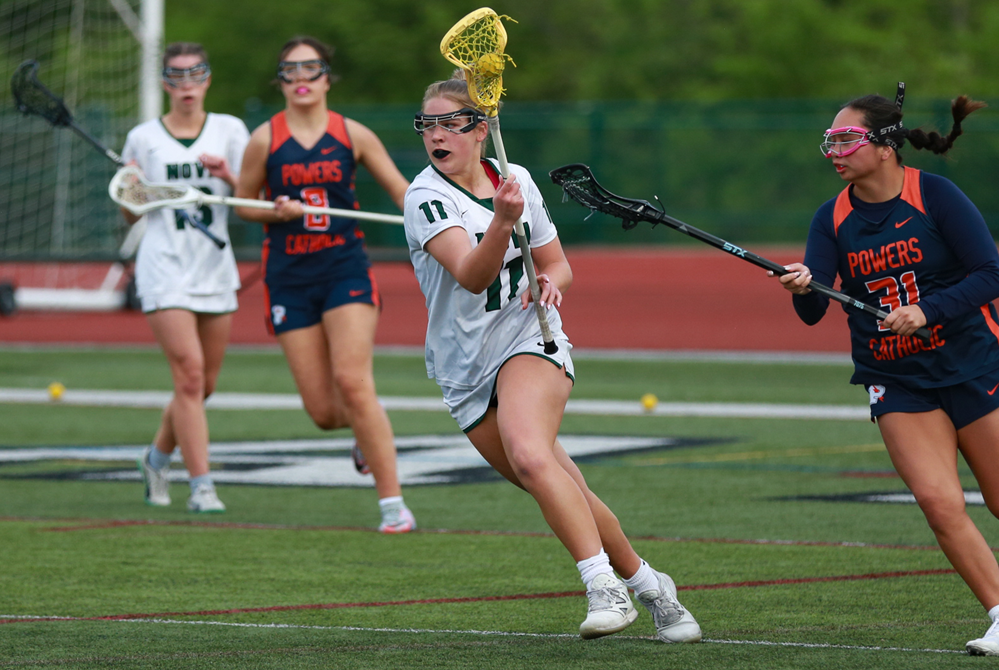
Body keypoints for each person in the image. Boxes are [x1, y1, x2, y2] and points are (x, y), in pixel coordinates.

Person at [402, 70, 702, 643]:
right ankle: (651, 585)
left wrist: (550, 283)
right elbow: (471, 275)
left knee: (531, 454)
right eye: (428, 124)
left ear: (482, 128)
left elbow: (558, 263)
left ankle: (602, 588)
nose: (437, 135)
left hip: (530, 340)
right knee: (561, 482)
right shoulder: (425, 197)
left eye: (450, 123)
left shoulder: (514, 180)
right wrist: (503, 222)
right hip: (465, 370)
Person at [774, 85, 999, 656]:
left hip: (973, 363)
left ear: (884, 146)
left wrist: (927, 309)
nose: (834, 151)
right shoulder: (833, 219)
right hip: (896, 378)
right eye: (830, 141)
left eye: (846, 139)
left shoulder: (936, 196)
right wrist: (802, 286)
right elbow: (813, 310)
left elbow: (989, 272)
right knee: (940, 503)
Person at [234, 36, 415, 534]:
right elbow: (242, 202)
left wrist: (438, 218)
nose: (301, 80)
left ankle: (393, 504)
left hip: (345, 270)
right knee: (322, 411)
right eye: (290, 71)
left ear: (327, 77)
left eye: (310, 69)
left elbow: (402, 190)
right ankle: (363, 431)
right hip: (289, 279)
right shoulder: (263, 140)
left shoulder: (353, 134)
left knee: (355, 383)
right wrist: (273, 209)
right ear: (281, 81)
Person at [121, 42, 250, 513]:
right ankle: (202, 486)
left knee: (202, 385)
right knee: (190, 377)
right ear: (164, 83)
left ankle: (156, 458)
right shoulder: (143, 138)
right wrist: (129, 188)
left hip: (214, 267)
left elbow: (252, 198)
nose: (186, 85)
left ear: (207, 78)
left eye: (195, 74)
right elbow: (129, 213)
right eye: (176, 76)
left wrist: (229, 175)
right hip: (163, 266)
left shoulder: (230, 130)